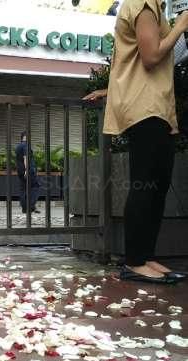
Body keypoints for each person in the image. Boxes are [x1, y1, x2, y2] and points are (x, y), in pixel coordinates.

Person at [83, 0, 188, 284]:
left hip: (157, 106)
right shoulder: (143, 4)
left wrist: (109, 90)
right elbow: (151, 57)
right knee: (146, 183)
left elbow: (132, 62)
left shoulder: (153, 5)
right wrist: (180, 26)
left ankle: (145, 256)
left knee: (159, 183)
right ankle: (134, 261)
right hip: (146, 108)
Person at [15, 131, 41, 214]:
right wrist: (27, 170)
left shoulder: (18, 146)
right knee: (35, 186)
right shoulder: (26, 146)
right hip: (28, 170)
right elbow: (25, 158)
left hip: (20, 170)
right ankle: (31, 206)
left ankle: (24, 208)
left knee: (23, 189)